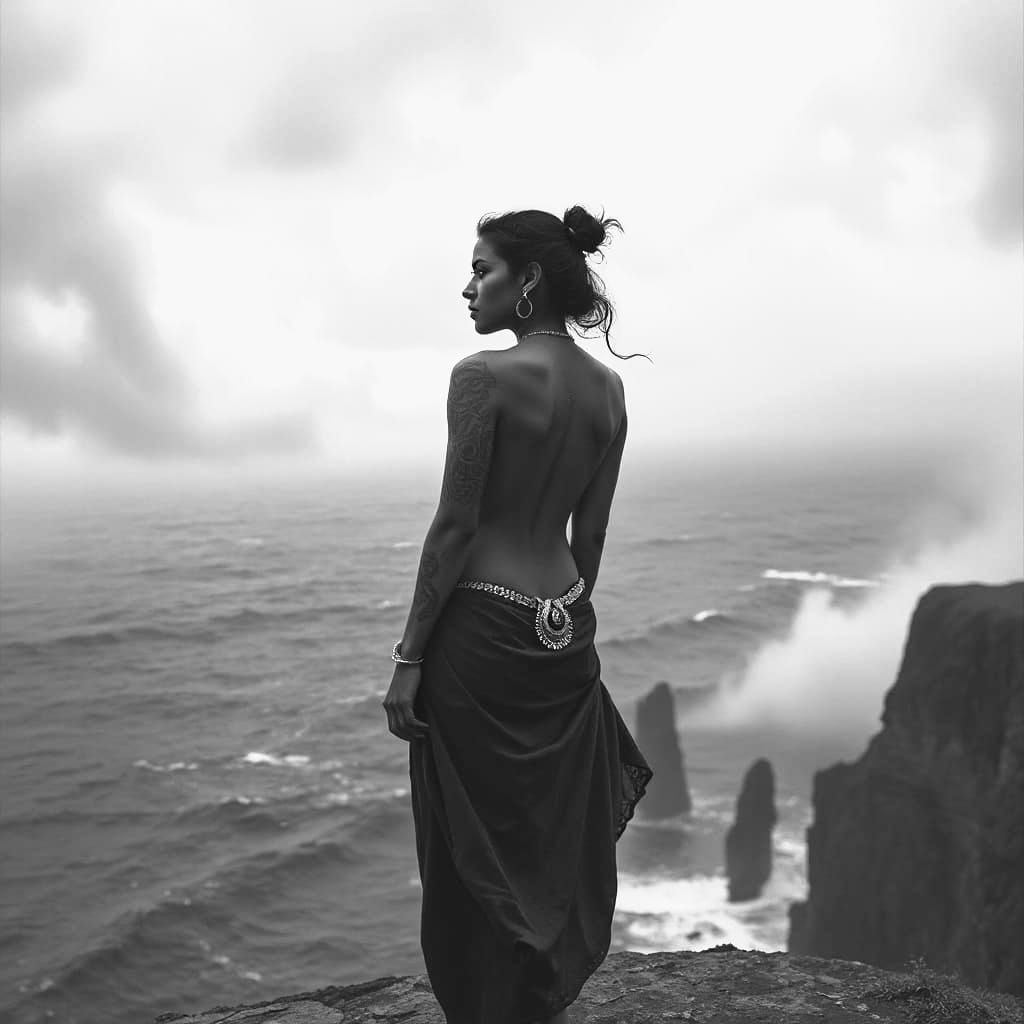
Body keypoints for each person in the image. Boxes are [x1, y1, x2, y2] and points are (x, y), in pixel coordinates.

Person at [383, 205, 653, 1024]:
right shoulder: (609, 390)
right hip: (566, 622)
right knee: (543, 828)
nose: (467, 288)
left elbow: (456, 527)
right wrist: (566, 623)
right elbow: (592, 530)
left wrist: (409, 657)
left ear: (527, 281)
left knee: (471, 839)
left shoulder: (482, 378)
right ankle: (542, 997)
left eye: (482, 270)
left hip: (481, 630)